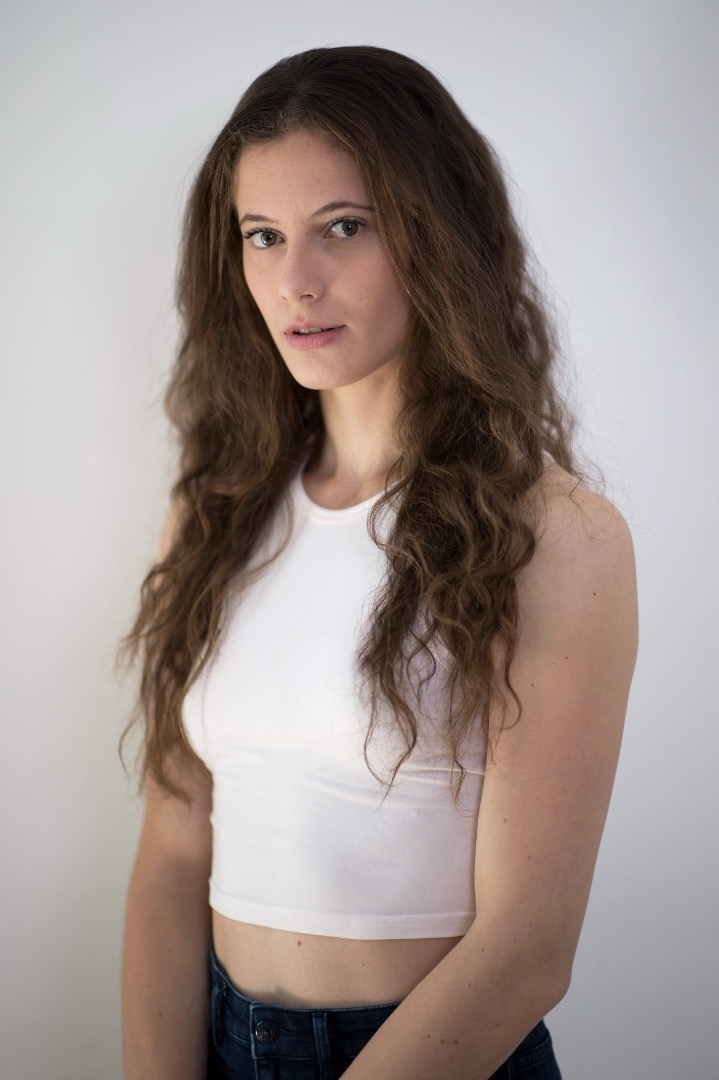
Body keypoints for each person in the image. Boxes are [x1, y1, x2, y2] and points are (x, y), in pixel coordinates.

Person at [119, 45, 638, 1080]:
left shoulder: (552, 535)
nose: (294, 281)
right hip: (217, 1041)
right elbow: (172, 861)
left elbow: (526, 949)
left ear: (434, 234)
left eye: (343, 227)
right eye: (262, 236)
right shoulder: (213, 513)